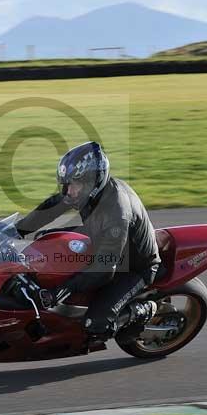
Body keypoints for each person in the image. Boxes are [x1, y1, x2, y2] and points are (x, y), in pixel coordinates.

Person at [15, 141, 161, 340]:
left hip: (133, 267)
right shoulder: (87, 193)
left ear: (92, 181)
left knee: (95, 325)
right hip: (100, 238)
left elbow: (104, 269)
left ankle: (145, 310)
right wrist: (18, 230)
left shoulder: (117, 213)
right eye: (65, 185)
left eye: (72, 185)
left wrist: (62, 290)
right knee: (45, 240)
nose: (68, 191)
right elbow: (52, 207)